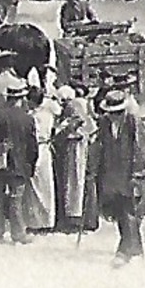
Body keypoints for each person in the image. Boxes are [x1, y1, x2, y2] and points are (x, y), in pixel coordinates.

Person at [90, 87, 145, 267]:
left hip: (131, 175)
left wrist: (138, 174)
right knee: (120, 213)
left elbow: (143, 149)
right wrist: (93, 165)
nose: (114, 116)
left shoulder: (133, 124)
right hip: (111, 177)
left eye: (117, 113)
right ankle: (136, 248)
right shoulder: (104, 124)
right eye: (111, 113)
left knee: (130, 212)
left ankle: (123, 251)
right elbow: (99, 146)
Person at [0, 84, 39, 244]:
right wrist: (31, 164)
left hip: (0, 161)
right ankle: (18, 234)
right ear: (22, 98)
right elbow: (33, 145)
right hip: (20, 163)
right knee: (16, 199)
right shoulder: (28, 118)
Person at [53, 85, 95, 233]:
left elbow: (68, 128)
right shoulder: (82, 104)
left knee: (74, 182)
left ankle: (74, 218)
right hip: (80, 147)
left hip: (75, 149)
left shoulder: (73, 106)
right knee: (78, 182)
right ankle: (81, 217)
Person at [23, 85, 61, 232]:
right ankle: (47, 220)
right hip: (45, 148)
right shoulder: (48, 113)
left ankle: (36, 222)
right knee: (46, 185)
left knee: (35, 185)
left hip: (37, 147)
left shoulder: (33, 117)